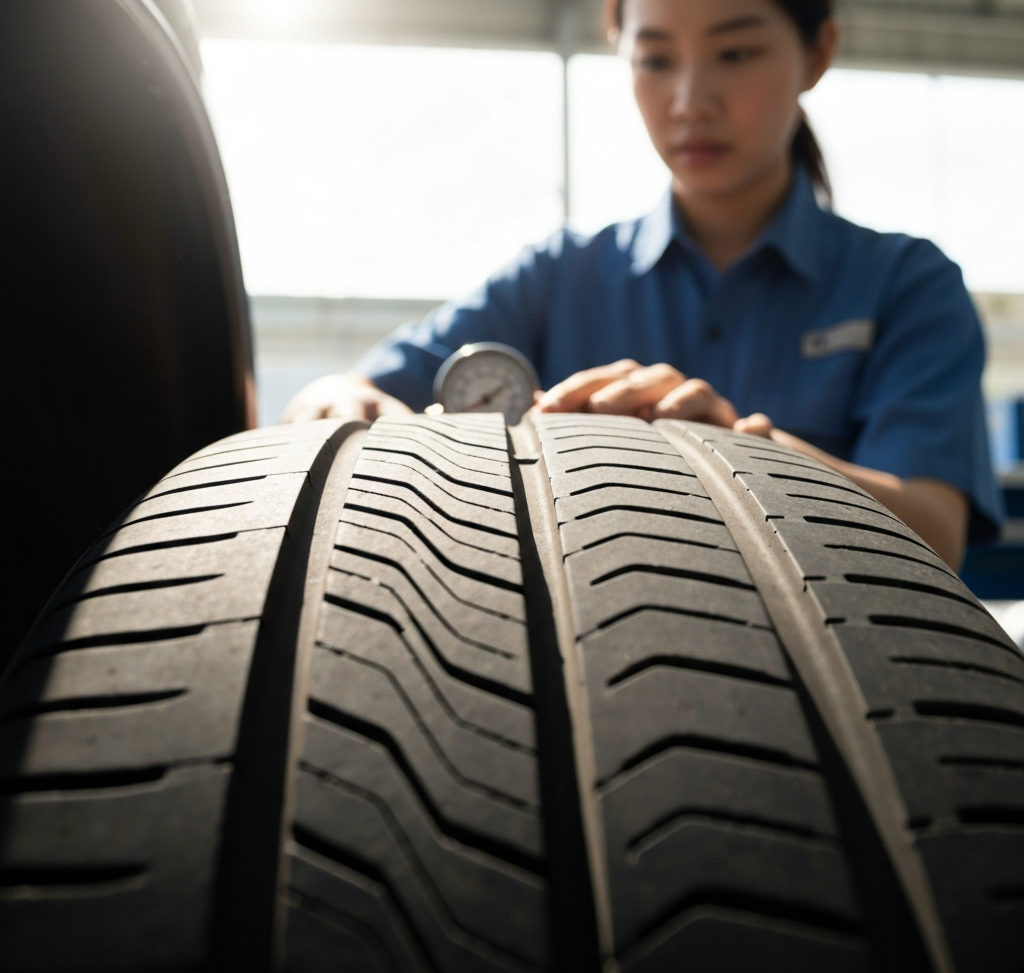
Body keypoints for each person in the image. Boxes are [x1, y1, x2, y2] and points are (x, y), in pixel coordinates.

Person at [282, 0, 1001, 571]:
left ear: (817, 54)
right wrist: (338, 401)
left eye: (736, 53)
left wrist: (739, 452)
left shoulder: (907, 285)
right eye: (655, 59)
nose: (690, 100)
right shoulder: (557, 276)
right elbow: (345, 396)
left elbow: (935, 534)